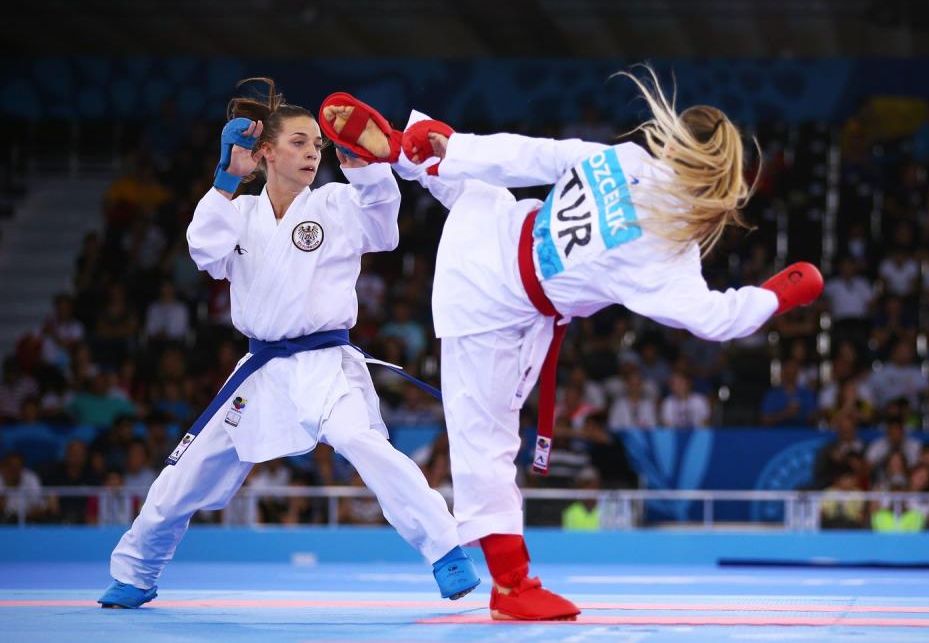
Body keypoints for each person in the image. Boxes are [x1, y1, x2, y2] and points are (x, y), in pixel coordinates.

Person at [319, 68, 823, 621]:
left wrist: (457, 145)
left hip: (497, 227)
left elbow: (537, 155)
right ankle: (511, 587)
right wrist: (778, 295)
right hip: (487, 302)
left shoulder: (626, 160)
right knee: (483, 442)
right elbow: (714, 319)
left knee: (479, 185)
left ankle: (405, 150)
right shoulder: (661, 252)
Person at [98, 78, 478, 609]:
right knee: (183, 476)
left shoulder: (336, 203)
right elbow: (204, 252)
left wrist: (364, 161)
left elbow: (383, 229)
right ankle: (137, 572)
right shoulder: (239, 214)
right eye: (300, 142)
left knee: (365, 444)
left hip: (325, 365)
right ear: (266, 152)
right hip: (260, 370)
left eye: (317, 144)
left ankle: (446, 550)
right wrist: (228, 178)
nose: (311, 152)